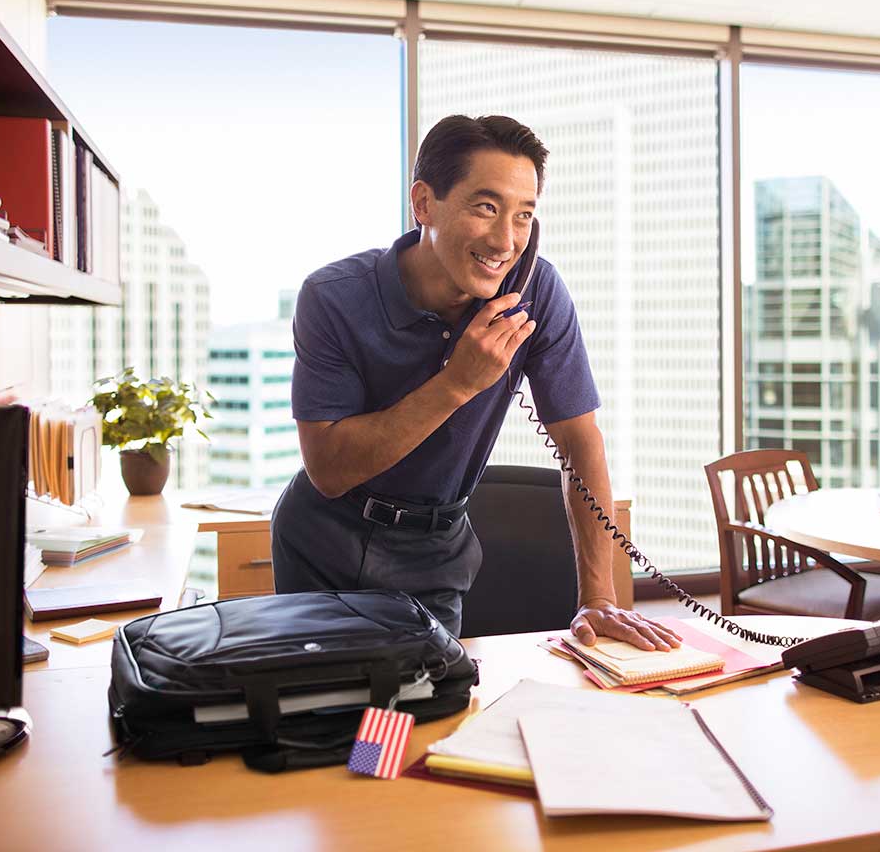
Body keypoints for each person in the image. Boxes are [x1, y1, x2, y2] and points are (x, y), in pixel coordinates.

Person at [272, 114, 681, 651]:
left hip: (435, 549)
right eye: (486, 208)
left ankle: (382, 740)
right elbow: (328, 469)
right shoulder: (333, 297)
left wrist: (599, 597)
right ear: (423, 203)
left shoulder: (536, 293)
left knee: (425, 711)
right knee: (328, 712)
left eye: (524, 215)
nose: (506, 240)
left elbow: (581, 442)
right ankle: (352, 741)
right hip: (326, 543)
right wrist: (458, 383)